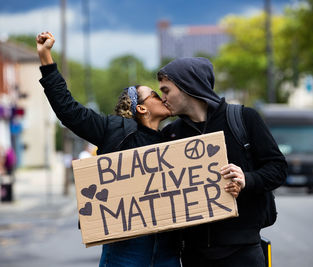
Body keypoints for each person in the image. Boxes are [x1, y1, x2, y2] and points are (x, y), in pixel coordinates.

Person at [37, 32, 238, 267]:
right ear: (141, 109)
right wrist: (46, 57)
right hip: (126, 251)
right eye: (154, 94)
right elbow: (68, 110)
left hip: (167, 251)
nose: (162, 96)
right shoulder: (113, 130)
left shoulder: (175, 138)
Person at [157, 57, 288, 266]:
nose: (162, 98)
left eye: (166, 90)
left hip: (243, 251)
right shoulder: (171, 135)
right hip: (193, 255)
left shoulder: (244, 119)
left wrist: (247, 179)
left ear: (187, 87)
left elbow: (278, 168)